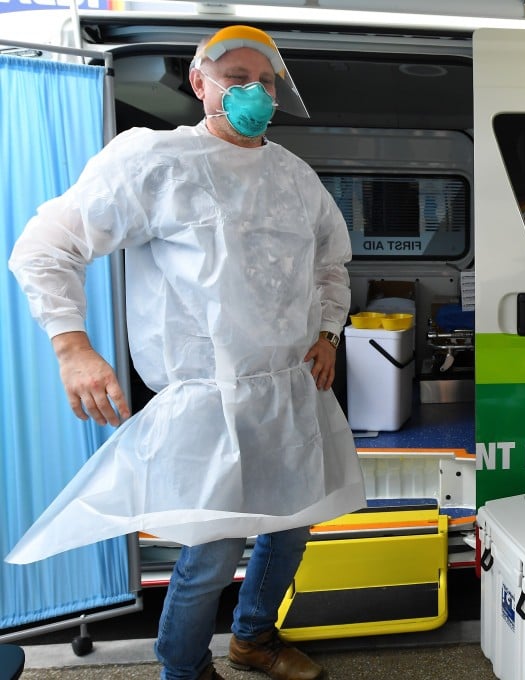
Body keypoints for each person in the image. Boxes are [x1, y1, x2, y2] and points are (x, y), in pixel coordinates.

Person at [7, 25, 366, 680]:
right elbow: (45, 247)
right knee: (210, 552)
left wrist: (328, 332)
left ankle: (254, 638)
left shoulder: (294, 176)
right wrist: (72, 346)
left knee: (291, 529)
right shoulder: (155, 163)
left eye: (265, 80)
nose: (252, 91)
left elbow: (331, 264)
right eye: (235, 78)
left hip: (289, 393)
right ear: (200, 83)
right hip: (207, 400)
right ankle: (184, 668)